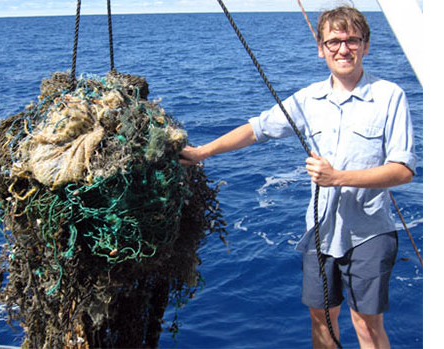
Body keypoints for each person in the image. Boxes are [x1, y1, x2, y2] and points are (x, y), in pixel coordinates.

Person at [179, 6, 417, 349]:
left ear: (366, 45)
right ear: (321, 48)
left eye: (352, 40)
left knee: (365, 325)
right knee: (322, 322)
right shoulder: (309, 99)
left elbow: (403, 171)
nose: (343, 48)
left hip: (370, 233)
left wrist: (337, 178)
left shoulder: (389, 96)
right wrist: (203, 152)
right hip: (320, 232)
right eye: (334, 41)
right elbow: (256, 129)